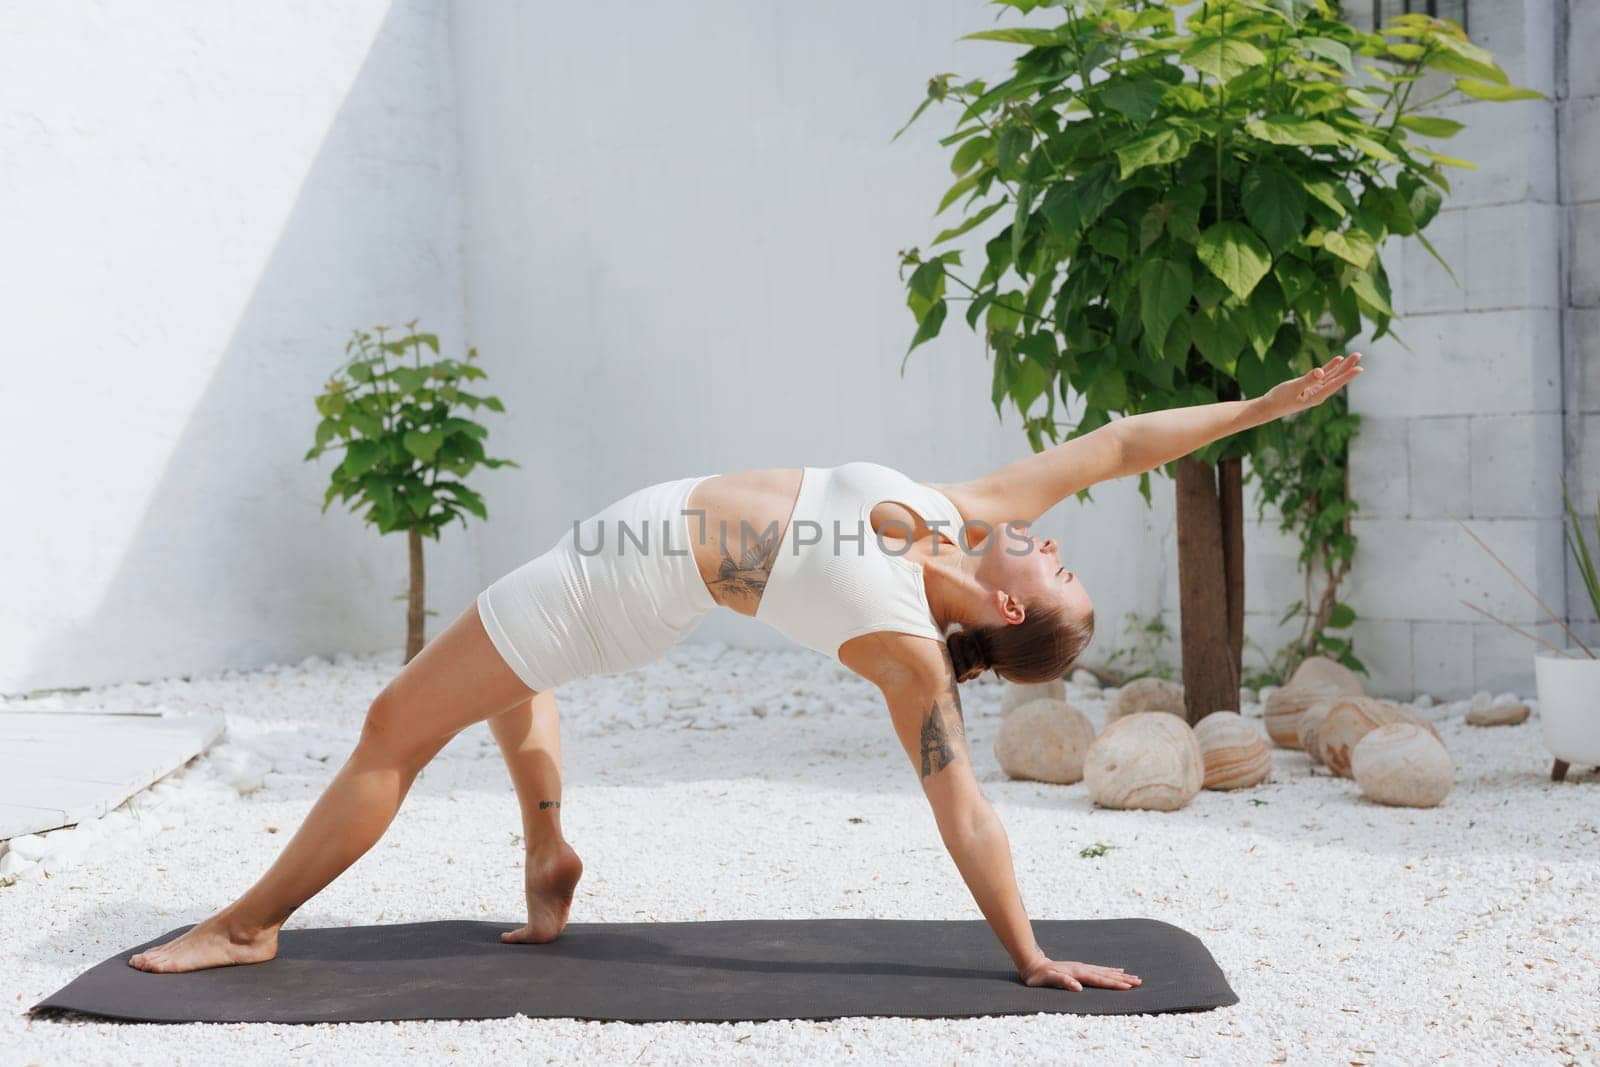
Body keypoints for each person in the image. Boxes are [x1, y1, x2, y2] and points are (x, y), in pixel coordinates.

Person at [128, 353, 1362, 989]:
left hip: (607, 589)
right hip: (615, 571)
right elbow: (1115, 445)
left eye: (1056, 573)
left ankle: (246, 925)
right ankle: (548, 851)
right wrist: (1257, 405)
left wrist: (1029, 950)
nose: (1050, 542)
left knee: (394, 722)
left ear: (1004, 607)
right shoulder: (953, 513)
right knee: (497, 675)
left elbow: (964, 806)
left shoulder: (905, 647)